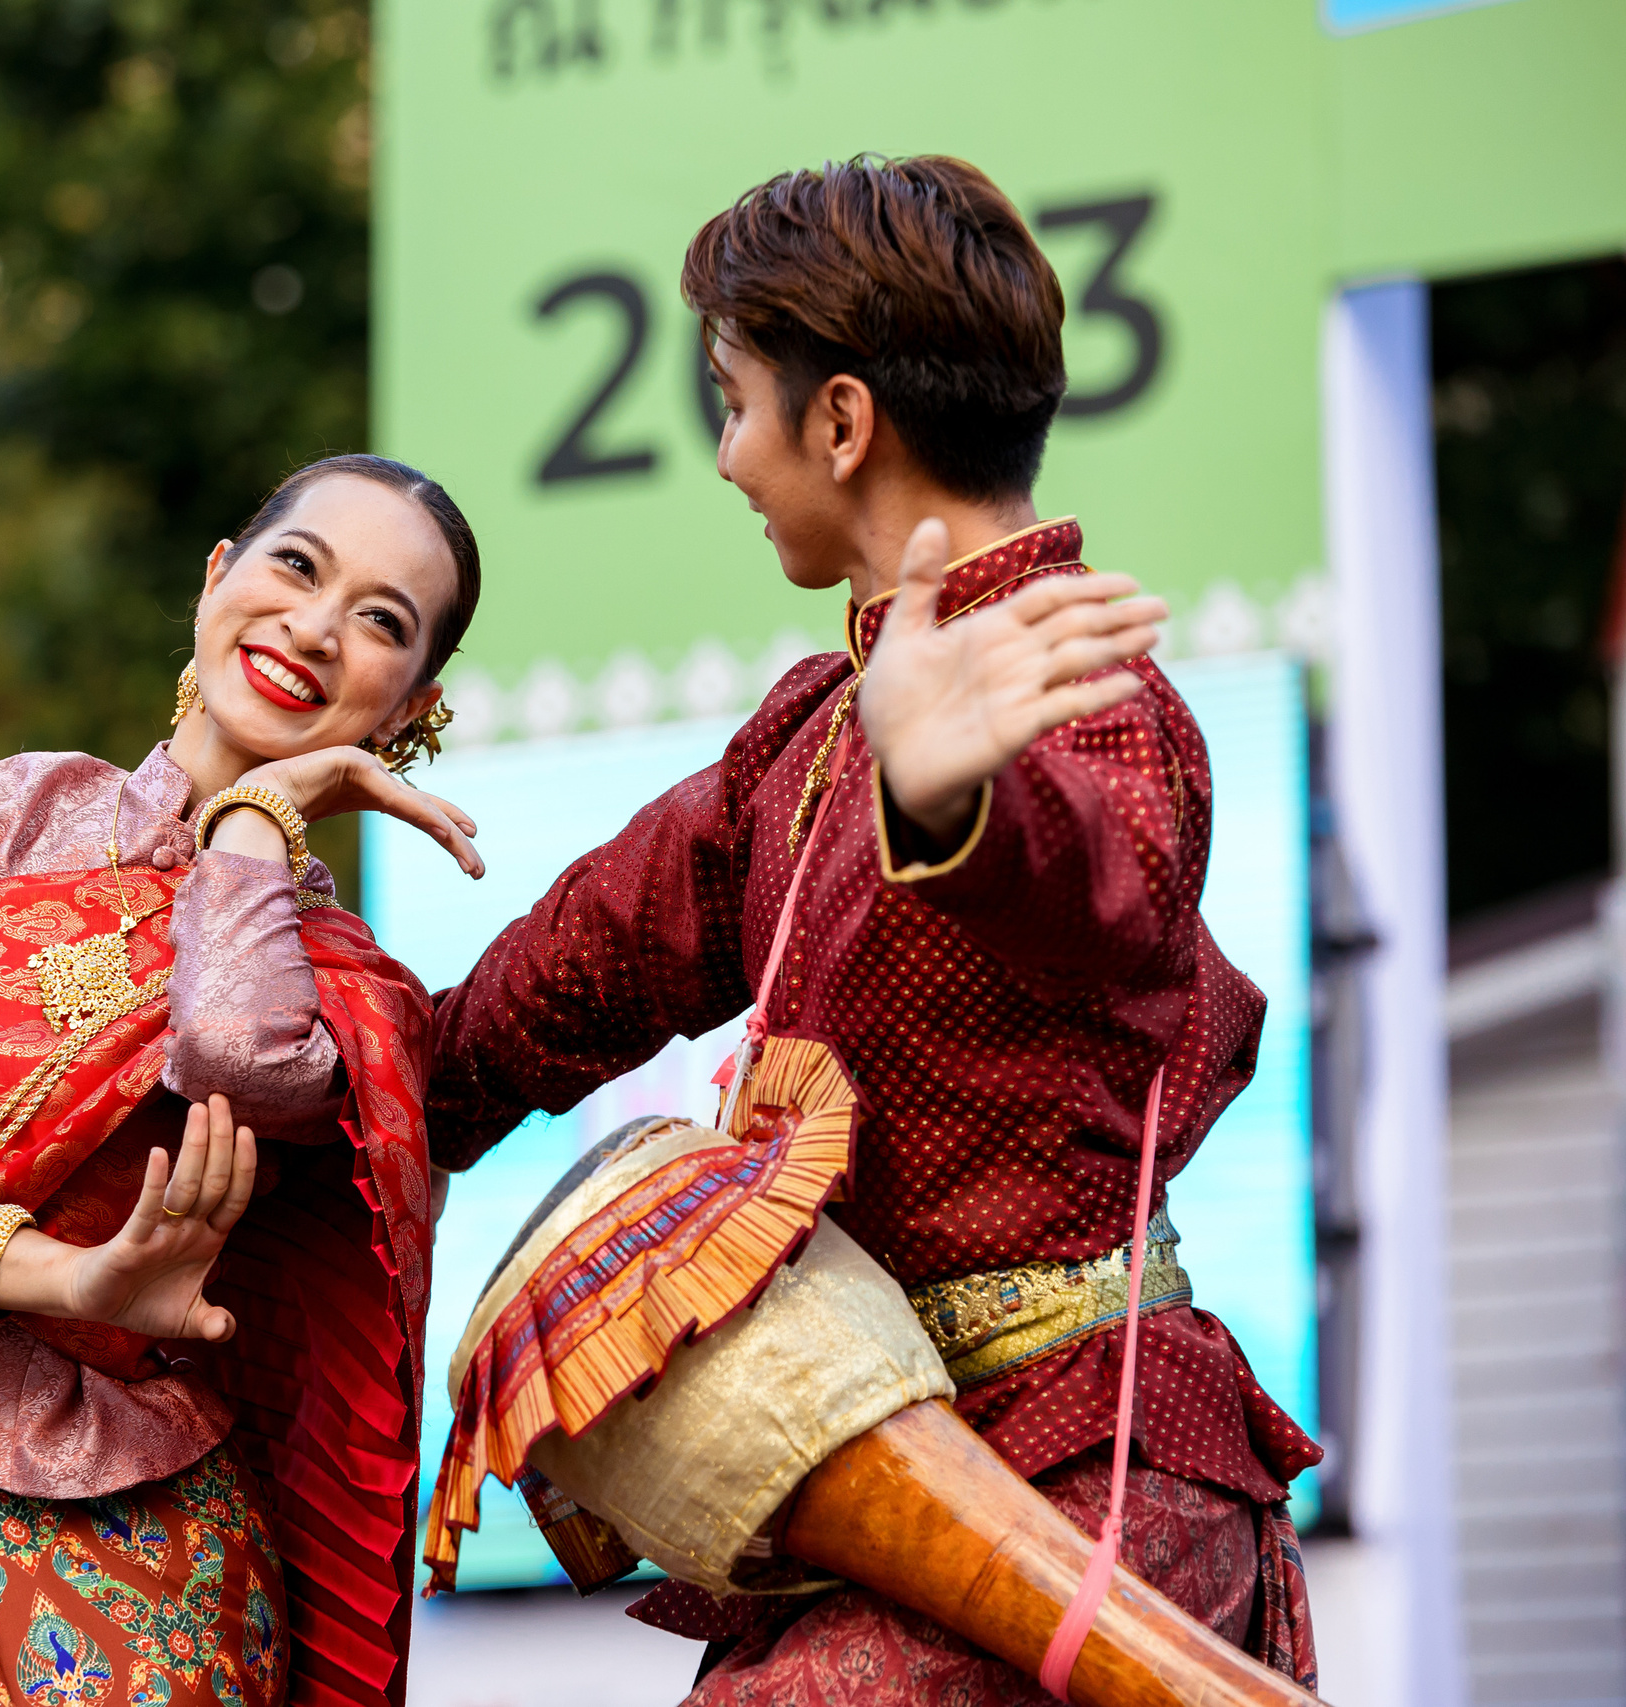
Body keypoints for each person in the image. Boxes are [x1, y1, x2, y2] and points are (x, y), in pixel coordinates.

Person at [425, 157, 1321, 1703]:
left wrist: (948, 802)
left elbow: (1098, 893)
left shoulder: (1090, 693)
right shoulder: (805, 740)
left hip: (1093, 1482)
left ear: (839, 422)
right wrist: (298, 1035)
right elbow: (551, 982)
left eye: (731, 404)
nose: (722, 458)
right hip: (884, 1503)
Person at [0, 454, 483, 1707]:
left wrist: (250, 826)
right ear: (217, 577)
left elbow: (232, 1055)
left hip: (142, 1577)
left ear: (410, 708)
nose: (315, 627)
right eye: (296, 566)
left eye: (380, 623)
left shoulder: (351, 993)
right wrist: (64, 1277)